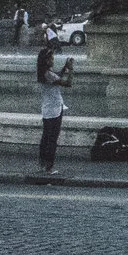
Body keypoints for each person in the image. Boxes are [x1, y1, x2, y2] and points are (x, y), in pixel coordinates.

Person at [37, 38, 74, 174]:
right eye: (51, 58)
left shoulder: (44, 74)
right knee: (52, 139)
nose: (53, 60)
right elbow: (67, 84)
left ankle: (42, 164)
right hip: (55, 110)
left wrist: (64, 67)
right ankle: (49, 167)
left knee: (45, 137)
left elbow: (57, 75)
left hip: (47, 109)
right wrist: (71, 70)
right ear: (47, 60)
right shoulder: (48, 75)